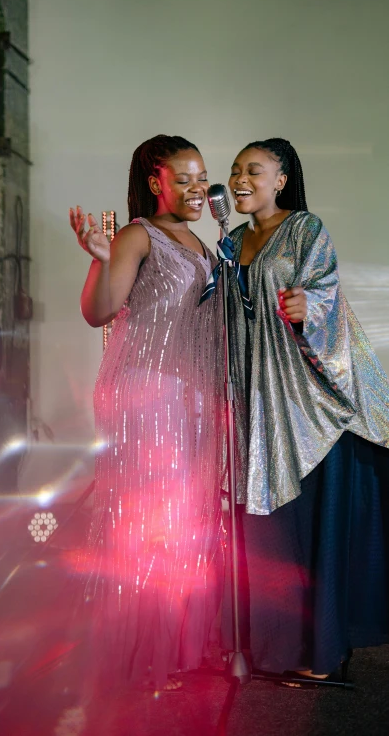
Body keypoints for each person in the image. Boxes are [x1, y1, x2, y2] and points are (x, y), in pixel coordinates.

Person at [218, 137, 389, 682]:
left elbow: (327, 295)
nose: (241, 178)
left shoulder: (304, 228)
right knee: (272, 533)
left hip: (305, 406)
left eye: (255, 169)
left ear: (282, 178)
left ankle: (325, 655)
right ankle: (277, 651)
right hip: (256, 407)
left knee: (314, 529)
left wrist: (308, 306)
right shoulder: (231, 240)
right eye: (236, 170)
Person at [68, 135, 225, 695]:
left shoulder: (207, 246)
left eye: (202, 178)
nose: (197, 189)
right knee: (145, 521)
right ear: (156, 180)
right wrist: (101, 260)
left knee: (184, 523)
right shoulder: (139, 234)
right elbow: (99, 312)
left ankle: (177, 648)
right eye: (183, 178)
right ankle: (136, 651)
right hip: (145, 393)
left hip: (190, 395)